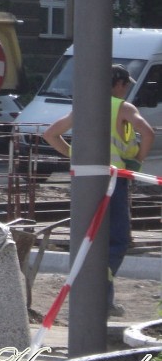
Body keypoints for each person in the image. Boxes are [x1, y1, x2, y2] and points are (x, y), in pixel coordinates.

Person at [43, 63, 155, 316]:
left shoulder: (83, 106)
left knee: (91, 237)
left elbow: (50, 134)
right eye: (126, 85)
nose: (126, 89)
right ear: (118, 84)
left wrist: (74, 155)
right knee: (118, 239)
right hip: (113, 180)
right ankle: (103, 280)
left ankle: (103, 302)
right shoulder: (123, 108)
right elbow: (147, 133)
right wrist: (137, 161)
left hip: (85, 181)